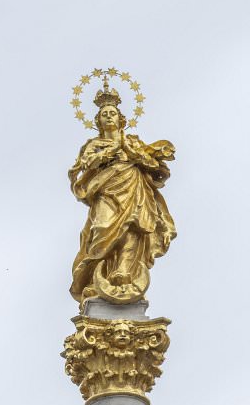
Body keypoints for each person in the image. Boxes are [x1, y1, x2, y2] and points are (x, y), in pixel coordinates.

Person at [68, 85, 176, 305]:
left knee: (132, 228)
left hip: (133, 187)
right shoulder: (94, 145)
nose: (109, 117)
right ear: (98, 122)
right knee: (102, 228)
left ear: (121, 119)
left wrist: (135, 154)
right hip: (106, 191)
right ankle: (93, 275)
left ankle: (122, 271)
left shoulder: (133, 143)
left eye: (112, 113)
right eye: (104, 114)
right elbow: (88, 163)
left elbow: (154, 165)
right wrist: (113, 149)